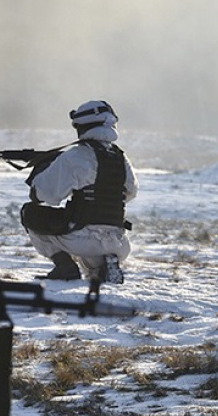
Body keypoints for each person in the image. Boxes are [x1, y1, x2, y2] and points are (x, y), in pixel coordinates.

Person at [19, 100, 138, 284]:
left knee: (31, 214)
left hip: (81, 237)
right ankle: (105, 265)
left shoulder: (75, 156)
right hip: (119, 242)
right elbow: (130, 192)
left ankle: (64, 266)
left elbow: (45, 195)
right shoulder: (121, 157)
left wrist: (44, 169)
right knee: (92, 250)